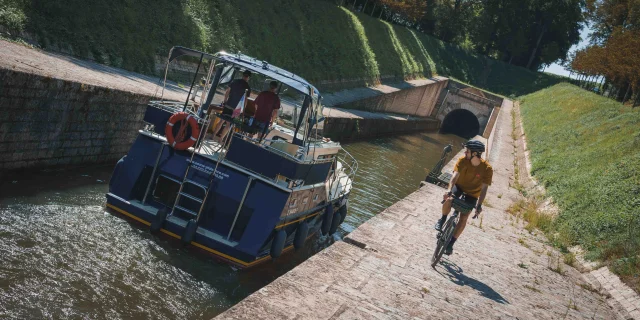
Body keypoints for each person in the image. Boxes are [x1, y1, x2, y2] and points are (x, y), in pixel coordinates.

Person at [434, 140, 492, 255]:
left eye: (468, 151)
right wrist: (449, 190)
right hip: (459, 187)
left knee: (464, 217)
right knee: (449, 199)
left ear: (475, 154)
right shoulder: (462, 160)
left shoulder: (487, 169)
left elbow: (484, 189)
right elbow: (454, 177)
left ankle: (451, 244)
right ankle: (442, 219)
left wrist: (479, 205)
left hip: (473, 194)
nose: (465, 152)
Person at [213, 70, 251, 142]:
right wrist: (242, 110)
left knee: (222, 120)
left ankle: (213, 135)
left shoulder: (235, 81)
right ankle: (220, 139)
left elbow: (227, 92)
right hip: (236, 109)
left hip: (228, 104)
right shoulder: (247, 87)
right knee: (228, 124)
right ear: (248, 77)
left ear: (242, 75)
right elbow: (245, 100)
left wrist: (225, 101)